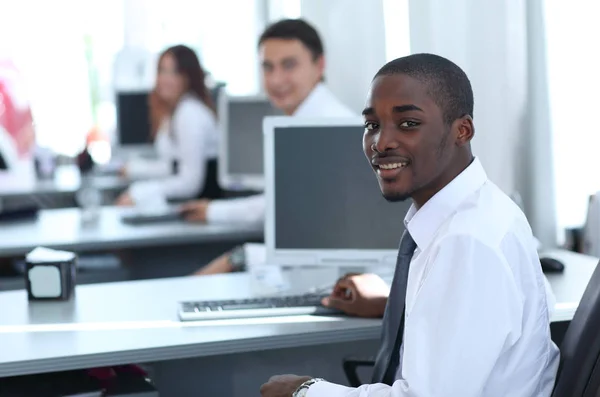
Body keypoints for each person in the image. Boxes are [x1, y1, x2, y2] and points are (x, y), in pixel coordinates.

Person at [259, 54, 559, 396]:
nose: (381, 143)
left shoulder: (466, 241)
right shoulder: (483, 209)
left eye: (408, 124)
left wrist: (306, 391)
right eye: (372, 125)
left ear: (462, 130)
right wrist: (399, 305)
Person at [183, 19, 354, 275]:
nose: (276, 79)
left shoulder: (326, 127)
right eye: (268, 67)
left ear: (319, 65)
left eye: (289, 65)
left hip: (327, 274)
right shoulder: (302, 122)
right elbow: (285, 205)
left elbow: (283, 215)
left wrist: (235, 251)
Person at [115, 45, 221, 206]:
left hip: (198, 209)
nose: (165, 78)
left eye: (174, 72)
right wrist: (134, 170)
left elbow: (190, 182)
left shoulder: (190, 113)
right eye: (162, 71)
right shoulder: (175, 111)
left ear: (188, 76)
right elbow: (171, 166)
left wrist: (139, 194)